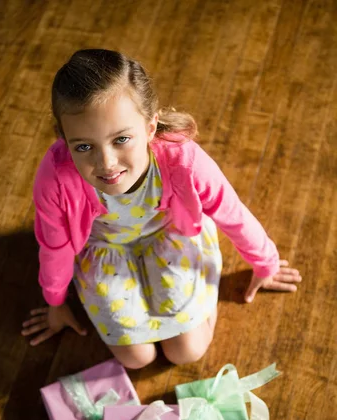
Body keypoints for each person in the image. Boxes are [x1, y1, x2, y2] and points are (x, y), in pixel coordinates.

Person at [21, 48, 301, 369]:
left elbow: (231, 210)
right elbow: (53, 245)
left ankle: (193, 305)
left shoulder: (183, 159)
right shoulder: (55, 177)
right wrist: (55, 302)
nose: (106, 163)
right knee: (137, 359)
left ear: (151, 127)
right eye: (84, 146)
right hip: (105, 248)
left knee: (186, 352)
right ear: (63, 137)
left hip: (170, 233)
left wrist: (266, 263)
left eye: (121, 139)